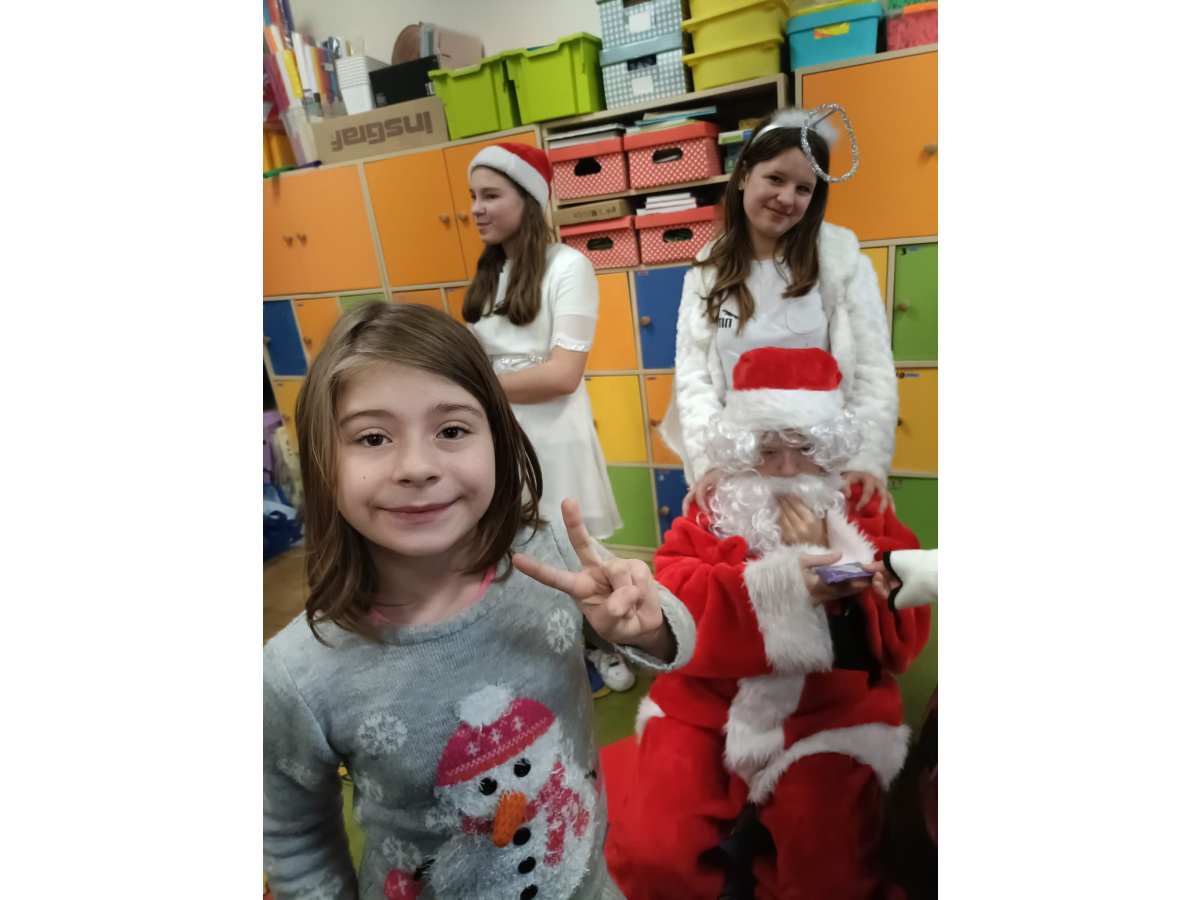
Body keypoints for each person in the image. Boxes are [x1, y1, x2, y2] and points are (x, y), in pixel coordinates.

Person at [262, 303, 696, 900]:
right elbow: (295, 840)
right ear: (322, 459)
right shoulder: (296, 673)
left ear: (498, 439)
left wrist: (644, 627)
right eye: (373, 437)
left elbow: (679, 637)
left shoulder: (551, 557)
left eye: (452, 430)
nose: (417, 467)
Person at [605, 347, 931, 900]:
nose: (784, 470)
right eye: (766, 450)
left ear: (829, 448)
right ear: (739, 449)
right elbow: (677, 598)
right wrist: (784, 584)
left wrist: (832, 553)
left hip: (829, 714)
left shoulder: (862, 508)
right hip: (704, 707)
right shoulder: (712, 508)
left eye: (804, 449)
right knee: (651, 853)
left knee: (832, 874)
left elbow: (905, 619)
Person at [659, 107, 899, 518]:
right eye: (775, 178)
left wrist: (866, 459)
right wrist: (708, 461)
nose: (787, 198)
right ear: (744, 174)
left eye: (804, 188)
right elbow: (694, 378)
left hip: (822, 470)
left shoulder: (841, 263)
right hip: (739, 470)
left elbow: (871, 371)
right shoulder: (707, 271)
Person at [462, 142, 634, 693]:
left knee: (571, 546)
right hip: (499, 435)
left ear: (528, 200)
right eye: (473, 196)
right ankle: (554, 648)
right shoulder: (490, 273)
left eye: (491, 195)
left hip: (554, 436)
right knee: (516, 547)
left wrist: (480, 389)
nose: (477, 209)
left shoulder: (569, 266)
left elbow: (563, 374)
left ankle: (607, 644)